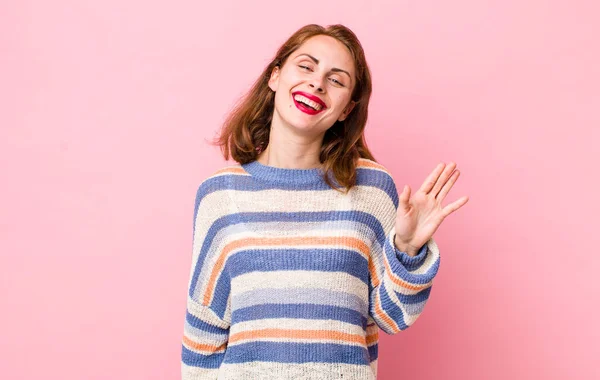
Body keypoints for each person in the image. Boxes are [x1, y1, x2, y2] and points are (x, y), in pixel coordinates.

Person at [181, 23, 468, 380]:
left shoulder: (372, 190)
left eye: (337, 79)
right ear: (275, 76)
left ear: (347, 109)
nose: (317, 82)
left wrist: (408, 249)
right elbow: (203, 331)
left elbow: (392, 317)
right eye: (306, 66)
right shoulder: (219, 195)